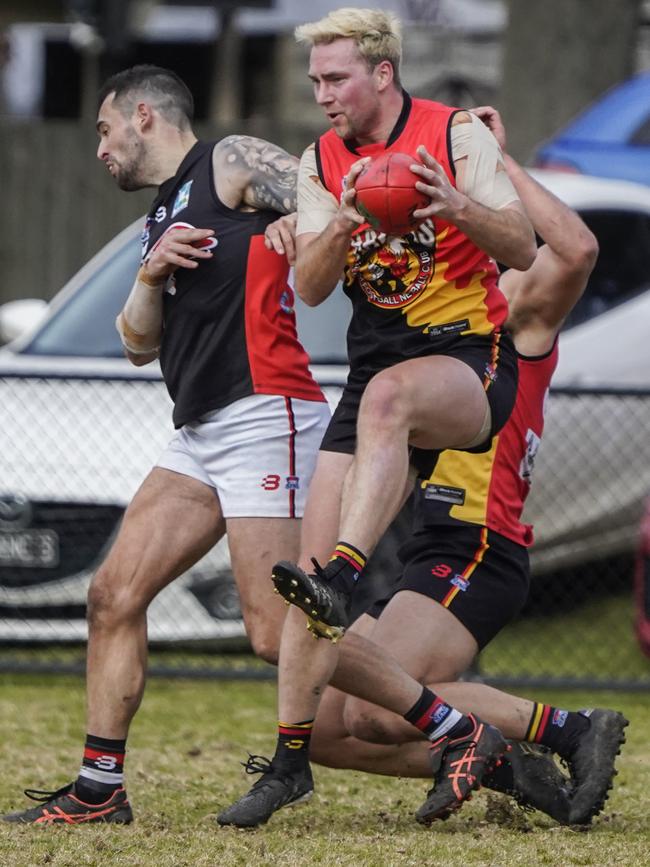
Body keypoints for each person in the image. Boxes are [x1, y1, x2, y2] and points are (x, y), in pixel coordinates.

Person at [220, 104, 627, 830]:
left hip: (477, 545)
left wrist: (494, 160)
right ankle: (496, 759)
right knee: (331, 725)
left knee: (374, 694)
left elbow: (575, 249)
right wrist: (307, 226)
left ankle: (567, 725)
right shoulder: (421, 325)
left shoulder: (513, 314)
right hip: (426, 546)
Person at [1, 64, 330, 826]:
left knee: (273, 633)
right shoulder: (162, 214)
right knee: (113, 594)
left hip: (264, 409)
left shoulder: (231, 159)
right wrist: (149, 275)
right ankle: (98, 789)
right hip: (202, 428)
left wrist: (301, 223)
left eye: (103, 128)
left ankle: (461, 726)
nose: (99, 147)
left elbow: (327, 206)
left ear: (143, 116)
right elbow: (135, 344)